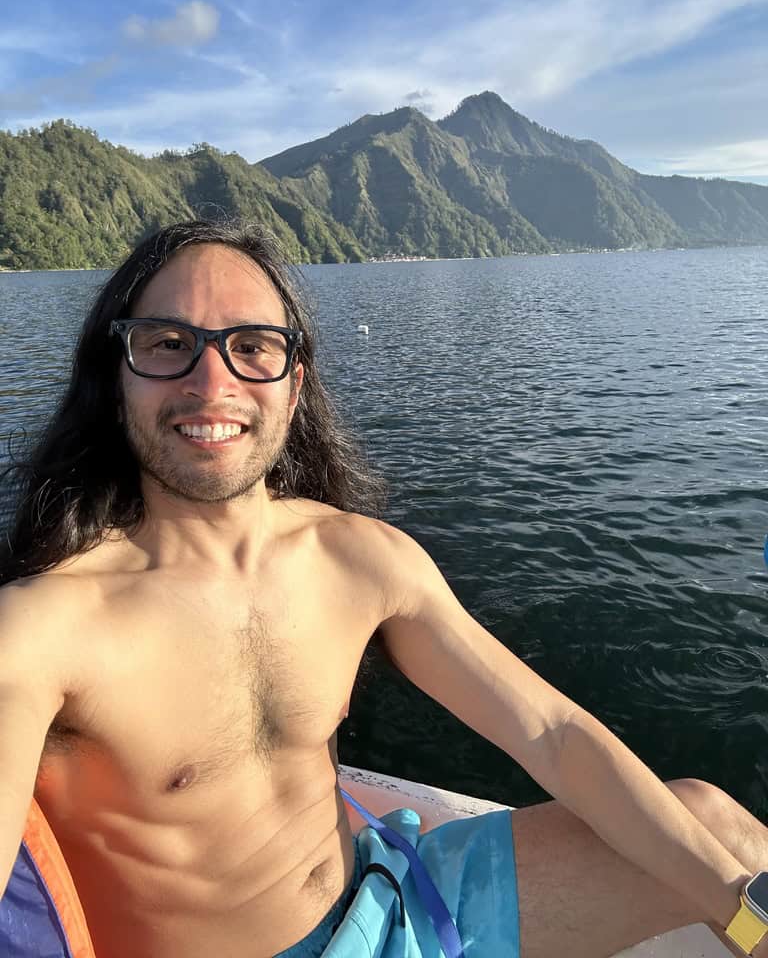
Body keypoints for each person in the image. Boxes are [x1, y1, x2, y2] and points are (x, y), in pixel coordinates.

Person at [0, 218, 766, 958]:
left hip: (390, 898)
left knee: (721, 835)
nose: (212, 381)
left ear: (293, 386)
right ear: (118, 377)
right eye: (168, 344)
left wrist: (744, 916)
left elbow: (552, 734)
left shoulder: (357, 558)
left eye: (252, 346)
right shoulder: (45, 629)